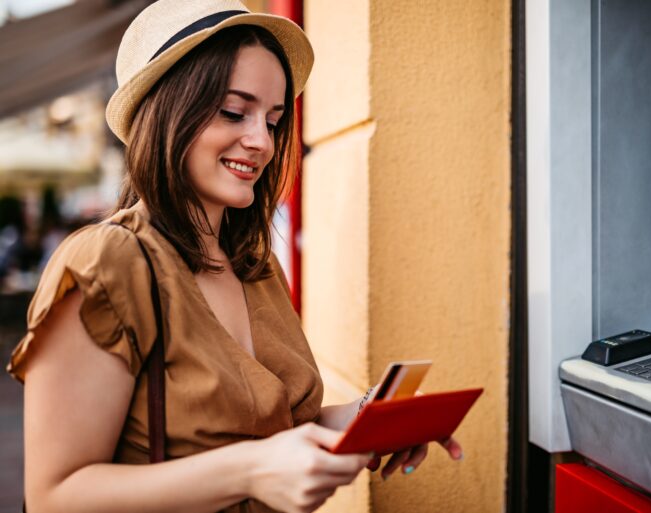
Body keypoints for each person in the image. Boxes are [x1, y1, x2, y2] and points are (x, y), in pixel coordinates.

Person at [6, 1, 463, 512]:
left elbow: (277, 430)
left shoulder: (254, 263)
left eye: (273, 119)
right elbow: (54, 497)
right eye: (233, 112)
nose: (261, 141)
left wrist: (370, 418)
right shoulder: (106, 262)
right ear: (167, 112)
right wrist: (251, 470)